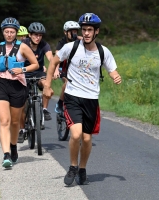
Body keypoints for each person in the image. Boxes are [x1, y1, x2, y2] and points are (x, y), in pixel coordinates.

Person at [43, 13, 122, 185]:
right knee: (76, 134)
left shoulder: (103, 51)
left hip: (91, 99)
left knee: (87, 139)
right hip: (72, 97)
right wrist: (48, 86)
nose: (86, 33)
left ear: (96, 32)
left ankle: (82, 168)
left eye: (89, 30)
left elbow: (112, 70)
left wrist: (116, 76)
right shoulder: (71, 47)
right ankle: (72, 166)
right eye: (84, 29)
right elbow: (53, 62)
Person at [0, 17, 39, 168]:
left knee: (15, 122)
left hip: (18, 85)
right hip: (1, 85)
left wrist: (22, 69)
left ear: (16, 33)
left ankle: (13, 146)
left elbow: (35, 64)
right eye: (7, 32)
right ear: (3, 32)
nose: (9, 34)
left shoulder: (23, 47)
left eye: (12, 32)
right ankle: (6, 155)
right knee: (4, 121)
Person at [17, 22, 54, 143]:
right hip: (24, 73)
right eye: (35, 35)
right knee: (22, 104)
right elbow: (14, 57)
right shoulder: (23, 44)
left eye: (40, 35)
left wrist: (54, 70)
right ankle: (22, 130)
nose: (38, 37)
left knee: (46, 86)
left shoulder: (44, 45)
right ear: (30, 35)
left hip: (38, 73)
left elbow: (51, 58)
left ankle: (44, 109)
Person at [54, 21, 81, 113]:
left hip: (75, 68)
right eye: (71, 32)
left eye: (75, 32)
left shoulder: (80, 40)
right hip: (63, 68)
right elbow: (57, 58)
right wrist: (56, 70)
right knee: (67, 83)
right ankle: (60, 103)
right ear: (65, 32)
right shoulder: (62, 43)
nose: (74, 34)